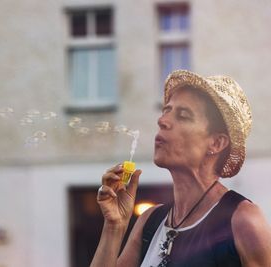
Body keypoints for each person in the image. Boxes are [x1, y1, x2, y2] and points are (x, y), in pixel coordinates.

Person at [90, 70, 271, 267]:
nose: (162, 121)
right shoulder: (149, 221)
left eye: (183, 115)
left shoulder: (243, 220)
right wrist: (114, 226)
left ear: (216, 143)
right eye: (166, 111)